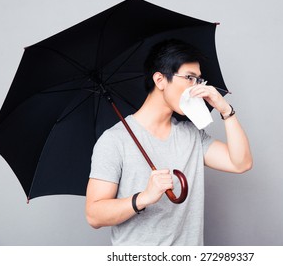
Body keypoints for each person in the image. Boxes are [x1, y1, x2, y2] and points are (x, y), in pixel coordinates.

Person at [85, 39, 252, 245]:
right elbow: (94, 215)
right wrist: (144, 197)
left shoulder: (191, 135)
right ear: (160, 80)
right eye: (189, 78)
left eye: (199, 80)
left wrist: (225, 110)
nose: (196, 88)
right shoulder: (115, 140)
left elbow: (241, 163)